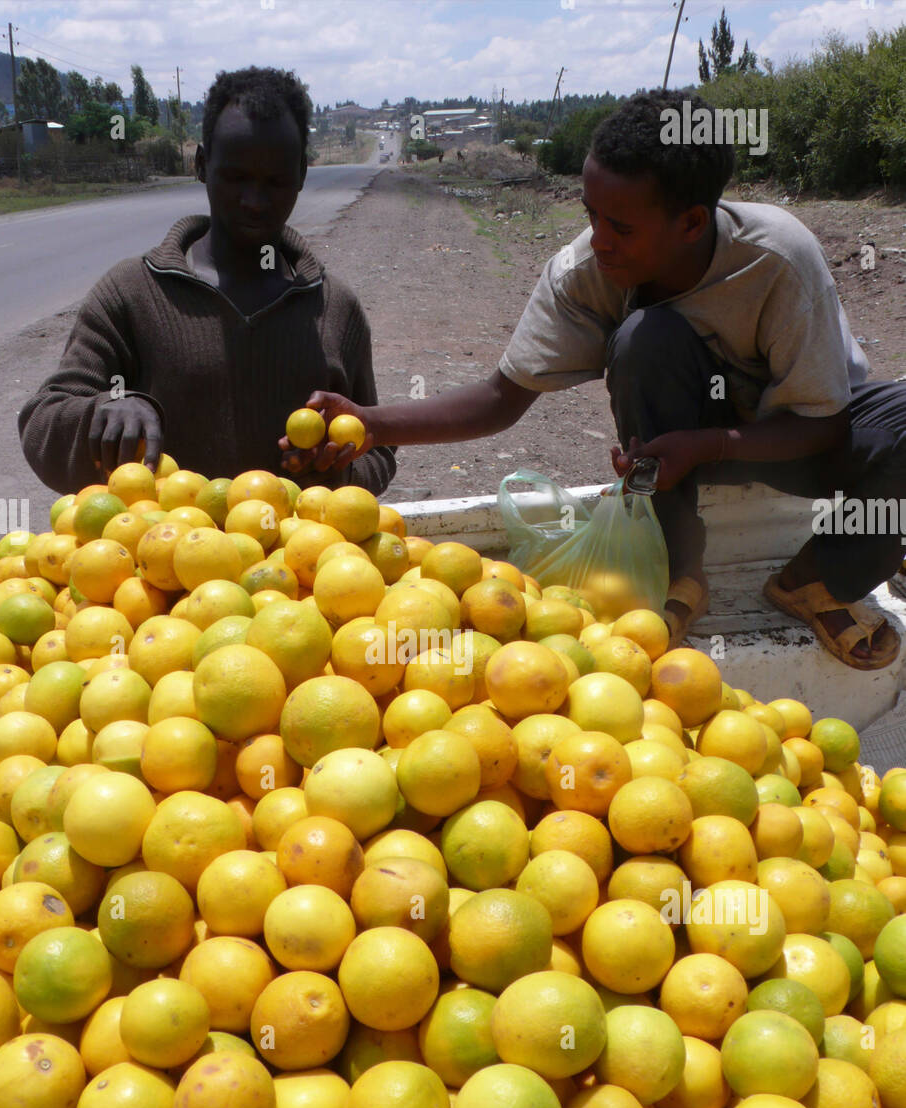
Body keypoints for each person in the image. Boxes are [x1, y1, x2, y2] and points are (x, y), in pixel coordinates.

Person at [287, 89, 906, 671]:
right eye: (592, 215)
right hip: (677, 454)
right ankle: (680, 569)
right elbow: (502, 398)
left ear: (692, 222)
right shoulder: (585, 271)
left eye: (623, 227)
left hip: (801, 437)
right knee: (644, 338)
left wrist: (714, 445)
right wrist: (373, 422)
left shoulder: (777, 258)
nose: (600, 242)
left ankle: (821, 579)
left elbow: (824, 421)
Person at [19, 66, 395, 497]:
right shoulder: (132, 294)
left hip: (296, 561)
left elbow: (378, 448)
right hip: (162, 557)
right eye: (236, 177)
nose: (254, 201)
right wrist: (106, 410)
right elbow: (42, 423)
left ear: (302, 177)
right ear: (201, 164)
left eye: (275, 182)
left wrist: (338, 472)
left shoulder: (336, 310)